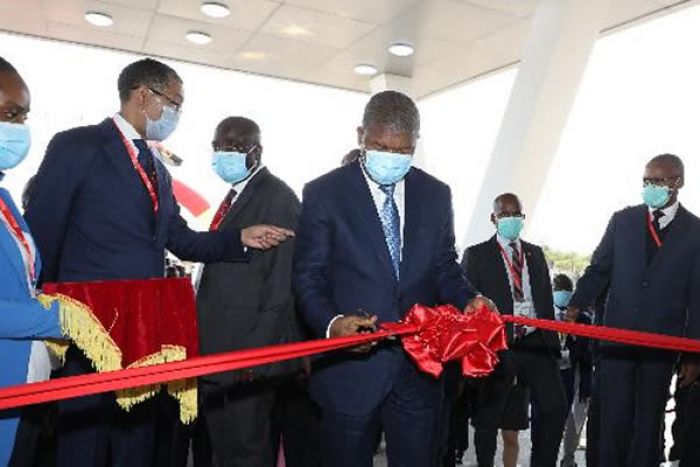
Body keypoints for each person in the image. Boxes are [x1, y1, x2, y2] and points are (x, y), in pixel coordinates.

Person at [24, 58, 293, 467]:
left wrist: (238, 239)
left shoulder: (157, 168)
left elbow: (179, 239)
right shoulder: (77, 145)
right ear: (144, 95)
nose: (176, 115)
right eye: (174, 102)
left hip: (143, 335)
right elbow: (44, 234)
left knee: (137, 445)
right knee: (85, 445)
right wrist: (49, 318)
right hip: (89, 330)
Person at [293, 90, 492, 467]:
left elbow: (444, 266)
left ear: (415, 144)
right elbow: (309, 276)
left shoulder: (435, 194)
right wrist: (333, 325)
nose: (391, 157)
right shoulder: (324, 193)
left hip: (418, 371)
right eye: (380, 146)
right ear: (360, 136)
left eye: (401, 151)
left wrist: (469, 298)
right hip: (349, 374)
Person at [567, 153, 700, 467]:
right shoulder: (622, 221)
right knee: (612, 422)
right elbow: (599, 270)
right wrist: (576, 304)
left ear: (677, 182)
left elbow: (698, 295)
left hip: (661, 346)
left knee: (648, 424)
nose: (650, 186)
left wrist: (694, 353)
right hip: (617, 343)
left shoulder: (695, 232)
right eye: (646, 181)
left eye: (657, 181)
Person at [197, 116, 301, 467]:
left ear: (257, 151)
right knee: (224, 449)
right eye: (219, 146)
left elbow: (281, 285)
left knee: (247, 450)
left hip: (246, 355)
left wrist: (257, 355)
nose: (225, 153)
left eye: (236, 147)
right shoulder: (235, 197)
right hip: (218, 350)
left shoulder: (276, 197)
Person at [462, 193, 567, 467]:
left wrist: (553, 345)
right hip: (499, 346)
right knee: (487, 418)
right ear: (493, 218)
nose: (511, 219)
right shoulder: (477, 255)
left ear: (523, 217)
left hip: (535, 342)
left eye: (515, 214)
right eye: (504, 214)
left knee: (555, 407)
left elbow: (544, 300)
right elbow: (466, 302)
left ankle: (542, 462)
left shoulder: (535, 253)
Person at [0, 56, 64, 466]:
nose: (19, 128)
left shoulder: (6, 200)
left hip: (23, 387)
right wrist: (61, 319)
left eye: (23, 116)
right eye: (10, 114)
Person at [553, 273, 592, 467]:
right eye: (558, 291)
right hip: (553, 375)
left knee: (574, 422)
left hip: (576, 375)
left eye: (565, 292)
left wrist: (573, 334)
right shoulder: (548, 315)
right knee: (552, 420)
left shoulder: (583, 318)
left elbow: (587, 352)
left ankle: (568, 458)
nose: (562, 296)